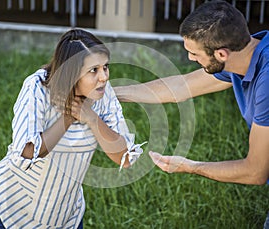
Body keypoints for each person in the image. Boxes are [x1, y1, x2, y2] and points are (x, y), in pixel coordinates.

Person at [114, 0, 269, 227]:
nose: (190, 59)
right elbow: (181, 86)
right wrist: (112, 93)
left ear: (221, 54)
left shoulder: (267, 81)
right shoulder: (245, 55)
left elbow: (255, 171)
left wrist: (189, 166)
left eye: (193, 53)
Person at [0, 29, 144, 228]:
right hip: (9, 210)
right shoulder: (37, 87)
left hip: (64, 217)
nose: (104, 77)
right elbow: (26, 152)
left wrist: (91, 118)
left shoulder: (102, 94)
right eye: (93, 70)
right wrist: (68, 118)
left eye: (105, 67)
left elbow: (124, 157)